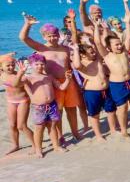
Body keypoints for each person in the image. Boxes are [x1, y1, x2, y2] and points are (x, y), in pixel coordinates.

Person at [19, 14, 85, 143]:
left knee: (71, 109)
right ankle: (59, 136)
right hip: (53, 84)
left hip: (68, 82)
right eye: (49, 35)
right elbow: (23, 38)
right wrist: (27, 25)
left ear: (58, 35)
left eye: (55, 35)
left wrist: (73, 23)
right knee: (58, 113)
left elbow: (76, 62)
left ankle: (75, 133)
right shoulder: (42, 48)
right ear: (44, 36)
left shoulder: (65, 49)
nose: (52, 38)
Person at [70, 18, 117, 141]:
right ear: (83, 54)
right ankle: (98, 135)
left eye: (93, 51)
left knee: (111, 111)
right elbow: (76, 65)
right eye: (91, 52)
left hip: (106, 89)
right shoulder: (83, 63)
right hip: (92, 92)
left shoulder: (97, 58)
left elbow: (99, 42)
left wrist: (96, 27)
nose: (94, 53)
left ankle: (113, 130)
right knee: (94, 114)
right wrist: (75, 50)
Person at [20, 54, 72, 157]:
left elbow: (61, 87)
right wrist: (21, 73)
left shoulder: (49, 77)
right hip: (38, 107)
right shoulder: (28, 78)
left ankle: (56, 146)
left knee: (52, 127)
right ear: (31, 65)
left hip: (52, 105)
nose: (40, 66)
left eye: (42, 64)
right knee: (39, 128)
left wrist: (68, 79)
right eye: (37, 64)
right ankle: (38, 150)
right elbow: (17, 83)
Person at [1, 54, 34, 155]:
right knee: (12, 125)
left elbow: (19, 86)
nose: (11, 67)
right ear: (1, 67)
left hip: (23, 101)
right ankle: (15, 145)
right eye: (8, 65)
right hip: (10, 101)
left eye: (12, 65)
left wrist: (20, 73)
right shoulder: (1, 74)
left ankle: (35, 144)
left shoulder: (21, 76)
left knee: (21, 126)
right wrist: (8, 55)